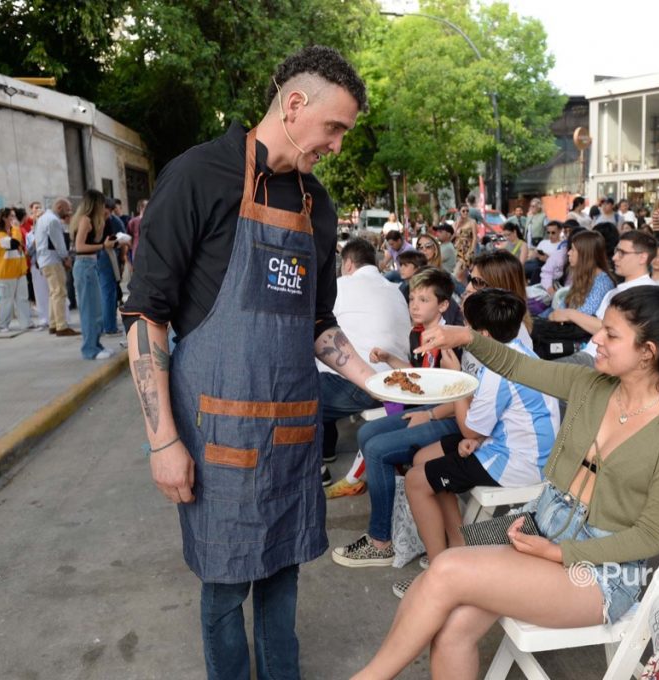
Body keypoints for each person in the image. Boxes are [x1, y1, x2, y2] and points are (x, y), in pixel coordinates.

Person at [121, 45, 374, 680]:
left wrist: (374, 377)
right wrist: (162, 442)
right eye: (334, 128)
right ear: (294, 105)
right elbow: (146, 315)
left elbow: (318, 322)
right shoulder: (198, 175)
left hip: (291, 433)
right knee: (225, 586)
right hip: (215, 437)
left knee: (283, 575)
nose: (337, 146)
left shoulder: (317, 205)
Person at [353, 287, 659, 679]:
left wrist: (557, 553)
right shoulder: (592, 386)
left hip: (601, 573)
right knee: (452, 626)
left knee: (445, 569)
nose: (596, 339)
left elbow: (650, 537)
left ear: (648, 352)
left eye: (611, 334)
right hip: (537, 528)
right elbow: (517, 367)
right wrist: (465, 337)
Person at [398, 288, 560, 596]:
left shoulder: (499, 370)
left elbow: (471, 430)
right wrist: (474, 437)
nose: (463, 332)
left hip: (517, 462)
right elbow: (486, 424)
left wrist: (457, 379)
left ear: (483, 334)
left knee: (416, 480)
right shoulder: (517, 351)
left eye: (468, 328)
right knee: (423, 459)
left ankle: (438, 576)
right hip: (515, 446)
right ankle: (458, 545)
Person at [331, 268, 461, 567]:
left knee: (377, 449)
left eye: (423, 299)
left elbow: (463, 396)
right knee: (366, 434)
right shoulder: (420, 333)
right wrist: (390, 359)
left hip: (448, 417)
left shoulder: (453, 340)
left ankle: (381, 541)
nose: (414, 305)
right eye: (412, 298)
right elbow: (422, 375)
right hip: (427, 411)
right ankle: (393, 519)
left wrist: (428, 415)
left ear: (443, 305)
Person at [318, 237, 410, 479]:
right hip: (396, 384)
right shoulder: (395, 291)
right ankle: (326, 449)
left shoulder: (341, 285)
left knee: (298, 393)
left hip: (363, 386)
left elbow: (318, 329)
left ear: (348, 264)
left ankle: (317, 468)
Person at [554, 230, 659, 367]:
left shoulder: (649, 293)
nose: (615, 257)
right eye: (616, 251)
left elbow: (605, 327)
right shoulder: (616, 290)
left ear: (642, 258)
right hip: (589, 353)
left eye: (622, 253)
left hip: (600, 361)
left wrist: (570, 314)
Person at [69, 189, 115, 360]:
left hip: (90, 265)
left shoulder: (90, 220)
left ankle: (96, 345)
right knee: (89, 311)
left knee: (96, 310)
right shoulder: (85, 220)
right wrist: (103, 246)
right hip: (85, 265)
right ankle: (89, 349)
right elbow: (79, 247)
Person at [34, 198, 78, 337]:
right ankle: (61, 325)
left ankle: (53, 324)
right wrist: (66, 257)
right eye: (67, 209)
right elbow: (58, 242)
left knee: (54, 293)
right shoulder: (52, 220)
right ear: (59, 207)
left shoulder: (43, 218)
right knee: (59, 292)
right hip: (52, 260)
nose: (69, 212)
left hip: (45, 260)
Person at [547, 230, 615, 315]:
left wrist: (564, 315)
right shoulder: (584, 277)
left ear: (585, 254)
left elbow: (585, 313)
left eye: (573, 249)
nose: (568, 253)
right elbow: (563, 306)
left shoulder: (603, 283)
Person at [0, 207, 31, 332]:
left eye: (14, 216)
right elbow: (14, 244)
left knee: (23, 298)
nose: (14, 219)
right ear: (4, 218)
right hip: (6, 274)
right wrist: (17, 228)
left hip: (19, 272)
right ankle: (3, 325)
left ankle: (26, 323)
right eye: (11, 216)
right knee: (7, 300)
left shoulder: (12, 231)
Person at [98, 197, 126, 335]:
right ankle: (109, 326)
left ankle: (107, 325)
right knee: (107, 293)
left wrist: (121, 259)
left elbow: (122, 240)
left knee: (107, 292)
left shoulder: (112, 221)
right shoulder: (105, 220)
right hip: (104, 256)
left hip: (105, 255)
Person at [126, 198, 147, 263]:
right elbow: (128, 238)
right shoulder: (132, 222)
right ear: (141, 207)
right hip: (137, 253)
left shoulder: (152, 220)